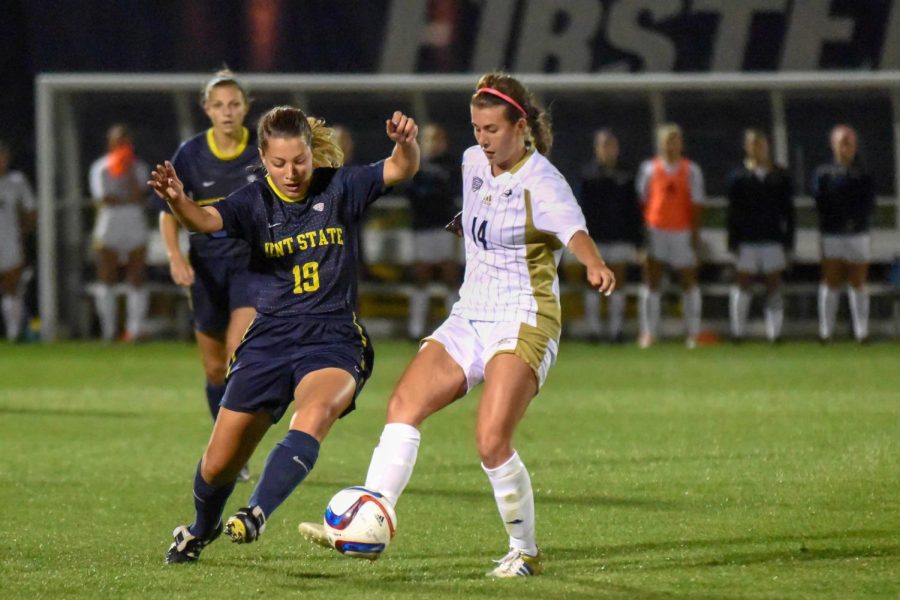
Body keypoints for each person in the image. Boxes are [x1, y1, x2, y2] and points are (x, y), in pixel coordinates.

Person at [298, 72, 615, 578]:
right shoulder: (471, 163)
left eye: (492, 129)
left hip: (524, 317)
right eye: (476, 128)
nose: (482, 139)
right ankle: (369, 517)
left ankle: (525, 550)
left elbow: (573, 229)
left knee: (491, 439)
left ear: (521, 127)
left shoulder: (544, 181)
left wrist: (593, 263)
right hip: (471, 313)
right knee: (403, 405)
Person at [150, 105, 420, 564]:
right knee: (218, 465)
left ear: (312, 154)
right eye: (278, 163)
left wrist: (405, 142)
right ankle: (200, 528)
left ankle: (257, 511)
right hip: (270, 338)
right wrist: (177, 199)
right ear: (263, 156)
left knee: (314, 413)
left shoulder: (340, 187)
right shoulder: (253, 201)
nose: (291, 173)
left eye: (299, 161)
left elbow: (401, 167)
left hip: (333, 336)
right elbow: (204, 220)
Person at [159, 70, 261, 476]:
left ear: (246, 107)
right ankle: (228, 447)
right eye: (218, 105)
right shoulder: (189, 155)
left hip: (250, 264)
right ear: (206, 110)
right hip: (205, 267)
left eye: (234, 104)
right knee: (214, 368)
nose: (227, 112)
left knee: (239, 351)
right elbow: (169, 213)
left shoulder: (261, 149)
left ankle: (237, 449)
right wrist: (175, 256)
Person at [636, 123, 705, 348]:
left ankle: (692, 333)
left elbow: (696, 206)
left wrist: (695, 237)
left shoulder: (691, 170)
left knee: (689, 281)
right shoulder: (649, 169)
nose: (671, 145)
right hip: (656, 231)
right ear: (660, 143)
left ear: (681, 144)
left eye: (675, 140)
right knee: (651, 282)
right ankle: (649, 333)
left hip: (681, 231)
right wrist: (642, 238)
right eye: (667, 140)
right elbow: (641, 202)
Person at [726, 129, 795, 343]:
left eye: (761, 144)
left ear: (767, 146)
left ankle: (774, 333)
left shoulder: (780, 176)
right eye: (753, 144)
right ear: (747, 147)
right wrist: (733, 239)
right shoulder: (738, 176)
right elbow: (732, 211)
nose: (757, 148)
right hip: (746, 239)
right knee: (742, 283)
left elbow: (789, 211)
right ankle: (738, 332)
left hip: (772, 238)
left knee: (774, 285)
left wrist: (789, 239)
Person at [576, 129, 643, 342]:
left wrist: (637, 240)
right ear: (597, 149)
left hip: (620, 235)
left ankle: (616, 331)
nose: (607, 150)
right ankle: (594, 331)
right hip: (594, 238)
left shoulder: (627, 174)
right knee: (594, 282)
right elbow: (580, 208)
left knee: (618, 282)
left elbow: (634, 209)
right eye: (603, 145)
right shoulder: (588, 175)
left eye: (611, 145)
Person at [812, 125, 876, 343]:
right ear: (833, 145)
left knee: (858, 282)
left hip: (858, 234)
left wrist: (853, 220)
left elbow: (868, 204)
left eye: (849, 142)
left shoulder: (864, 173)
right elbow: (820, 202)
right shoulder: (823, 173)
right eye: (841, 142)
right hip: (831, 234)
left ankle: (862, 333)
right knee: (831, 281)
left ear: (855, 146)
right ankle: (825, 333)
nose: (845, 147)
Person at [89, 124, 150, 342]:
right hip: (110, 222)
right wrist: (127, 198)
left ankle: (134, 330)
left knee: (136, 276)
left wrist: (129, 173)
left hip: (133, 221)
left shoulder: (139, 167)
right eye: (118, 142)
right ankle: (108, 330)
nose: (122, 146)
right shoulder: (101, 168)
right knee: (107, 277)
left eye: (125, 142)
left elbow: (141, 194)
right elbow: (104, 198)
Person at [405, 123, 461, 340]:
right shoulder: (416, 163)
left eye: (437, 139)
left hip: (445, 227)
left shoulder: (451, 164)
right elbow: (411, 192)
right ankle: (416, 328)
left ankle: (454, 328)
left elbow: (451, 193)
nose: (433, 144)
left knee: (450, 275)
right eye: (428, 139)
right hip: (422, 228)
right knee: (421, 276)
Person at [0, 141, 36, 342]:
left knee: (11, 286)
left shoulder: (17, 181)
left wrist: (22, 232)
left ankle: (14, 332)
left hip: (9, 240)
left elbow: (30, 210)